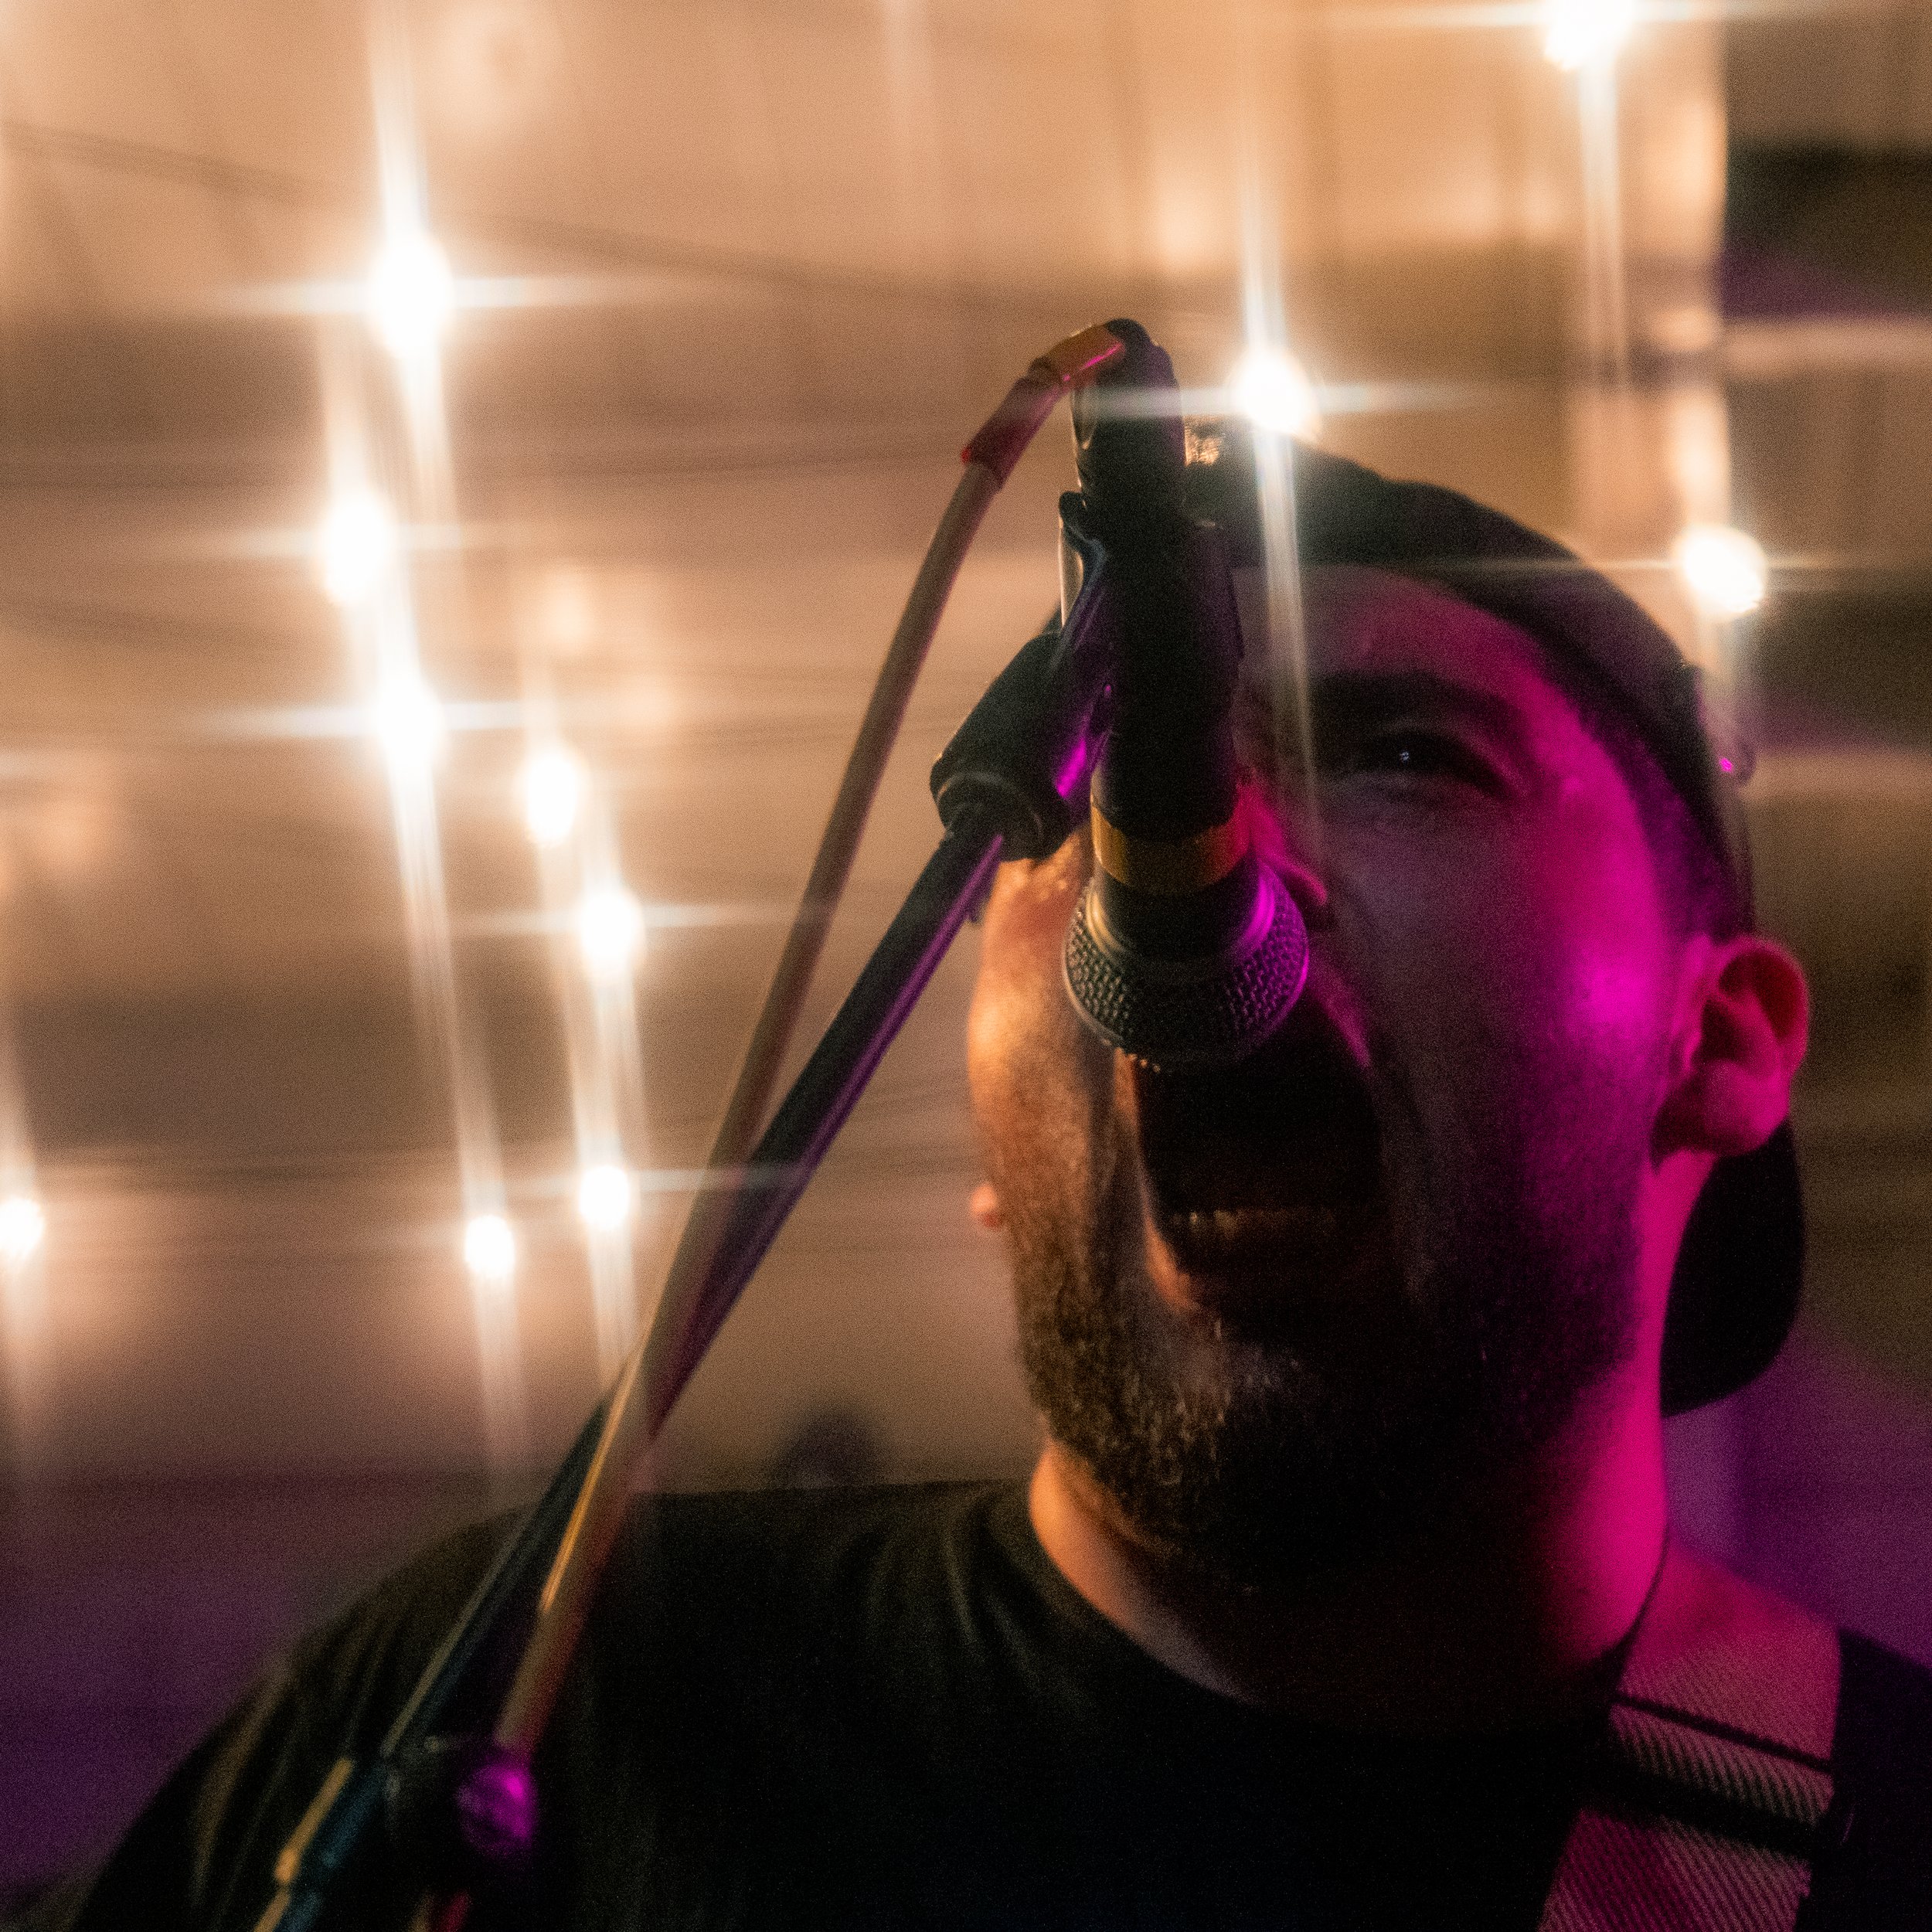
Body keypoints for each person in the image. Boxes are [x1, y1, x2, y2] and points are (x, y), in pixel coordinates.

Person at [16, 428, 1932, 1932]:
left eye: (1408, 757)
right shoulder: (547, 1717)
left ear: (1728, 1031)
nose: (1208, 868)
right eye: (1106, 799)